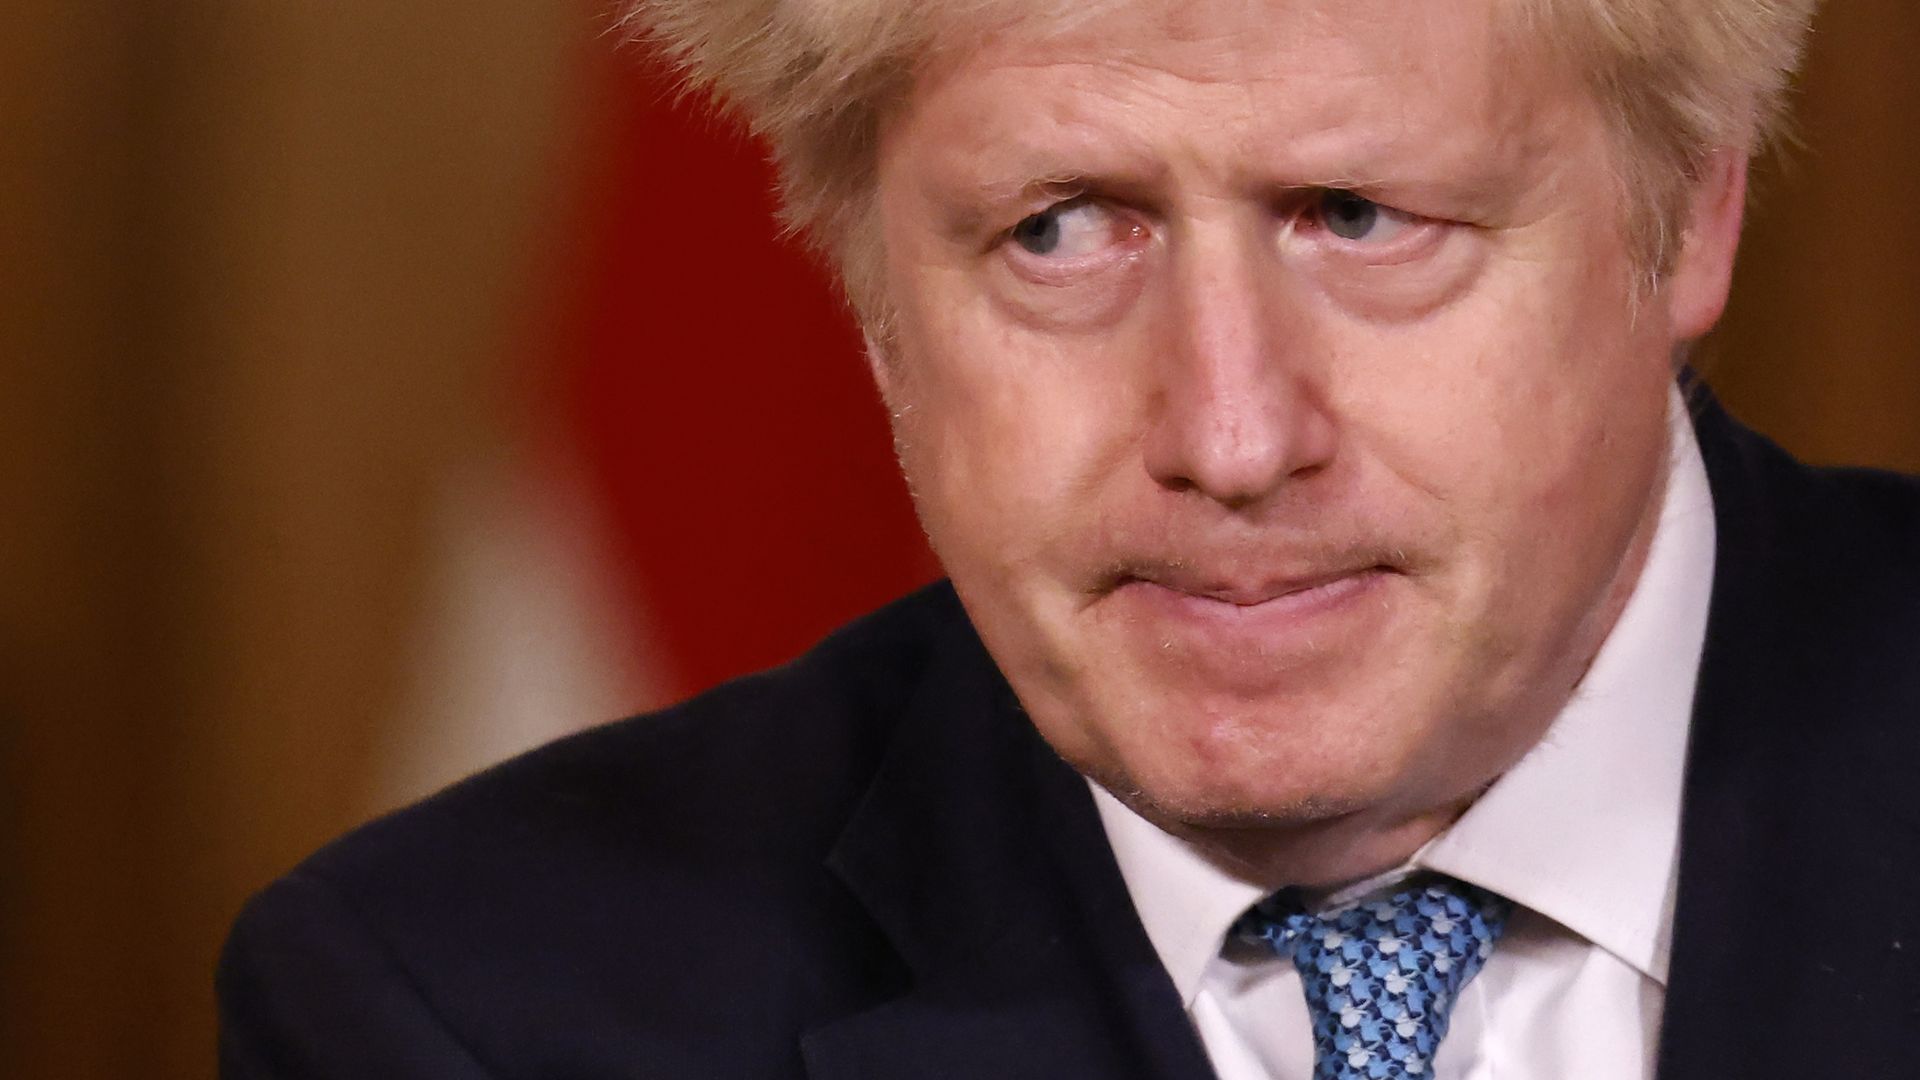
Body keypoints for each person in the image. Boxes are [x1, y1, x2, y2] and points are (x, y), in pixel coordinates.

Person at [218, 0, 1920, 1076]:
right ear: (871, 290)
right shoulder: (465, 1010)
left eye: (1358, 217)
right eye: (1059, 232)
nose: (1233, 436)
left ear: (1692, 204)